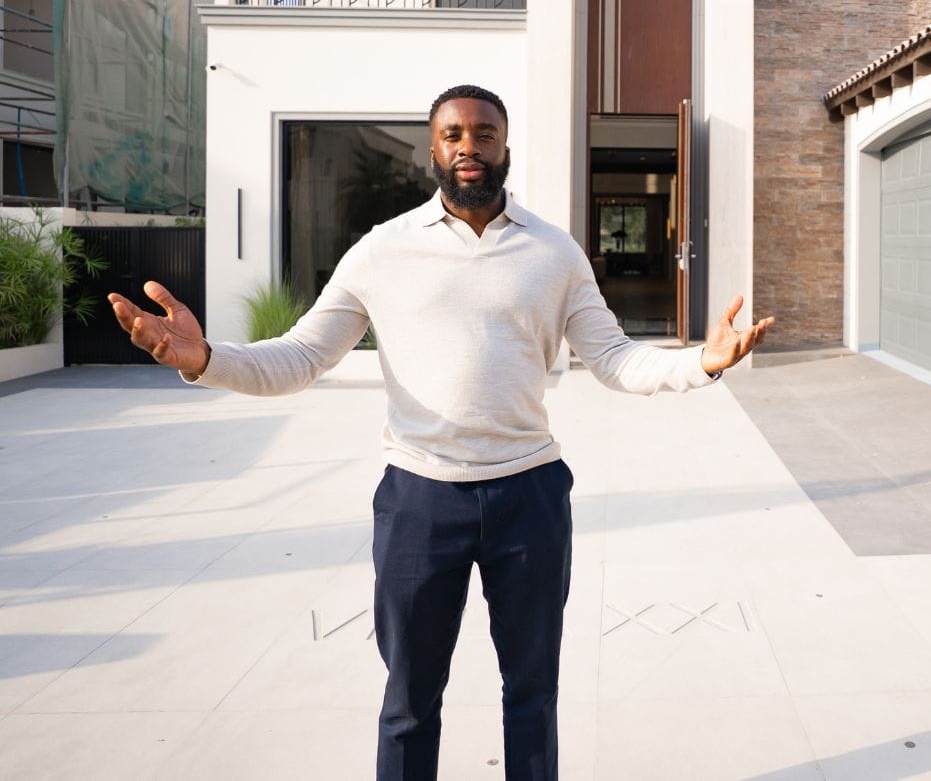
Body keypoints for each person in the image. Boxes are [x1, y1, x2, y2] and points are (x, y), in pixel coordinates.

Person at [109, 84, 774, 781]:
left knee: (533, 696)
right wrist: (206, 360)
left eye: (484, 134)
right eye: (453, 134)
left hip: (530, 495)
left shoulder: (555, 252)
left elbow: (613, 358)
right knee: (409, 702)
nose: (468, 147)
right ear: (433, 148)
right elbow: (303, 355)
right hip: (419, 504)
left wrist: (702, 362)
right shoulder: (382, 250)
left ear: (505, 147)